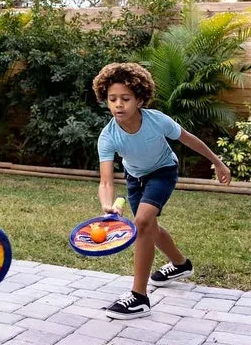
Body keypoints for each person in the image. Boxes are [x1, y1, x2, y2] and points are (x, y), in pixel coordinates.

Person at [93, 62, 231, 319]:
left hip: (163, 172)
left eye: (125, 98)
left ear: (139, 99)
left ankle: (139, 297)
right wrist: (107, 204)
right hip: (135, 179)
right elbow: (106, 180)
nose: (118, 105)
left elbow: (190, 139)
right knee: (150, 228)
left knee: (142, 223)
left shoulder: (157, 121)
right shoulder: (108, 136)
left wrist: (217, 162)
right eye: (112, 99)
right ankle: (181, 264)